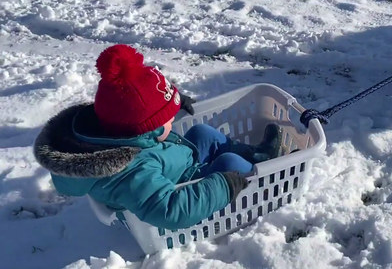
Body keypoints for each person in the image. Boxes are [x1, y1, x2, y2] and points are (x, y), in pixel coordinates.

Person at [33, 44, 283, 230]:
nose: (172, 120)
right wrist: (222, 185)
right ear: (144, 128)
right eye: (167, 118)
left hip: (174, 166)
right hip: (184, 190)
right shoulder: (130, 173)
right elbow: (171, 211)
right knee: (229, 164)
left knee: (201, 133)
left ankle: (259, 156)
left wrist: (172, 101)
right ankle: (267, 182)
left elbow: (139, 107)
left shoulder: (117, 130)